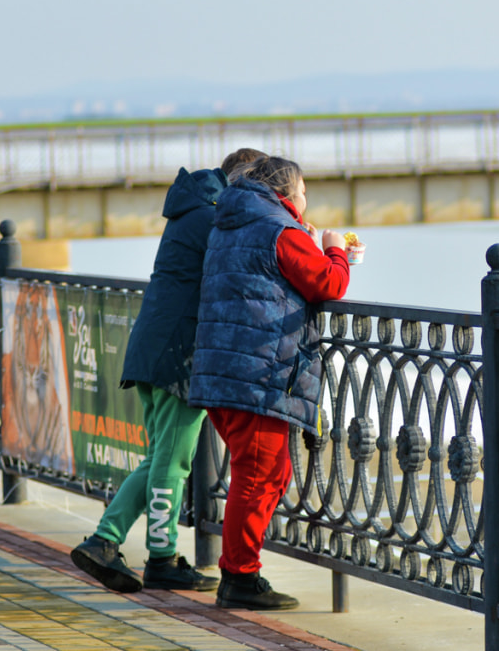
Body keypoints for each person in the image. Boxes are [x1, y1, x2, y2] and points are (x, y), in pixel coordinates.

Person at [70, 147, 268, 594]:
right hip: (181, 353)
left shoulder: (195, 206)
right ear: (244, 182)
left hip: (153, 346)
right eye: (260, 189)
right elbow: (247, 268)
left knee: (159, 457)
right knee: (173, 462)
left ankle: (105, 540)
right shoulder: (213, 217)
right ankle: (160, 556)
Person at [189, 156, 350, 611]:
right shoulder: (279, 229)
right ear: (285, 193)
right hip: (257, 376)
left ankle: (241, 569)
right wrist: (335, 249)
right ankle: (239, 577)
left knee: (264, 472)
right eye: (302, 192)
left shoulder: (231, 220)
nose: (304, 201)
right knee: (258, 475)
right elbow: (328, 283)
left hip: (223, 370)